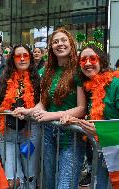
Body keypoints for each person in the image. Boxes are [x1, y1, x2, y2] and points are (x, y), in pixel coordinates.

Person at [61, 44, 119, 188]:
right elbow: (97, 119)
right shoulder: (91, 88)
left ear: (102, 61)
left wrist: (101, 130)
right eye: (83, 60)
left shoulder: (117, 86)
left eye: (92, 59)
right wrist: (75, 121)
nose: (87, 63)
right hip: (103, 154)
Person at [13, 28, 86, 189]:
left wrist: (51, 116)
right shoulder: (48, 71)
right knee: (48, 183)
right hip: (48, 135)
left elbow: (82, 108)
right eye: (55, 41)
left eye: (64, 40)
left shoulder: (78, 70)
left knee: (64, 185)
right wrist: (29, 111)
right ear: (51, 47)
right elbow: (43, 104)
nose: (60, 44)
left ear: (71, 44)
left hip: (71, 136)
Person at [0, 44, 41, 189]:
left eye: (25, 55)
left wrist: (29, 111)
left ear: (30, 58)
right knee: (12, 176)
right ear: (12, 59)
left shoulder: (37, 79)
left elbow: (43, 104)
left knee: (30, 173)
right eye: (18, 56)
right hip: (8, 134)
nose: (22, 59)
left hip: (30, 134)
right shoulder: (4, 78)